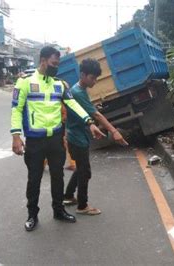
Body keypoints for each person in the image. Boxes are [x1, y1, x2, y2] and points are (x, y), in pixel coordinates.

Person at [11, 46, 105, 232]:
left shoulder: (59, 85)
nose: (56, 67)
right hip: (35, 141)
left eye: (57, 64)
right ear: (43, 60)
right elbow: (16, 110)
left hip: (55, 139)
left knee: (58, 177)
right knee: (34, 179)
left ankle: (59, 210)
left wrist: (89, 122)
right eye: (54, 63)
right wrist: (16, 136)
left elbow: (73, 105)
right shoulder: (24, 82)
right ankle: (32, 215)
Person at [63, 58, 128, 215]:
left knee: (81, 168)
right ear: (83, 75)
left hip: (76, 136)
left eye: (96, 78)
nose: (94, 82)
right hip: (77, 138)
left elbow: (88, 111)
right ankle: (82, 206)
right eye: (92, 78)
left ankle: (68, 196)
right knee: (85, 172)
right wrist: (114, 131)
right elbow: (96, 115)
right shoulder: (78, 92)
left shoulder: (79, 89)